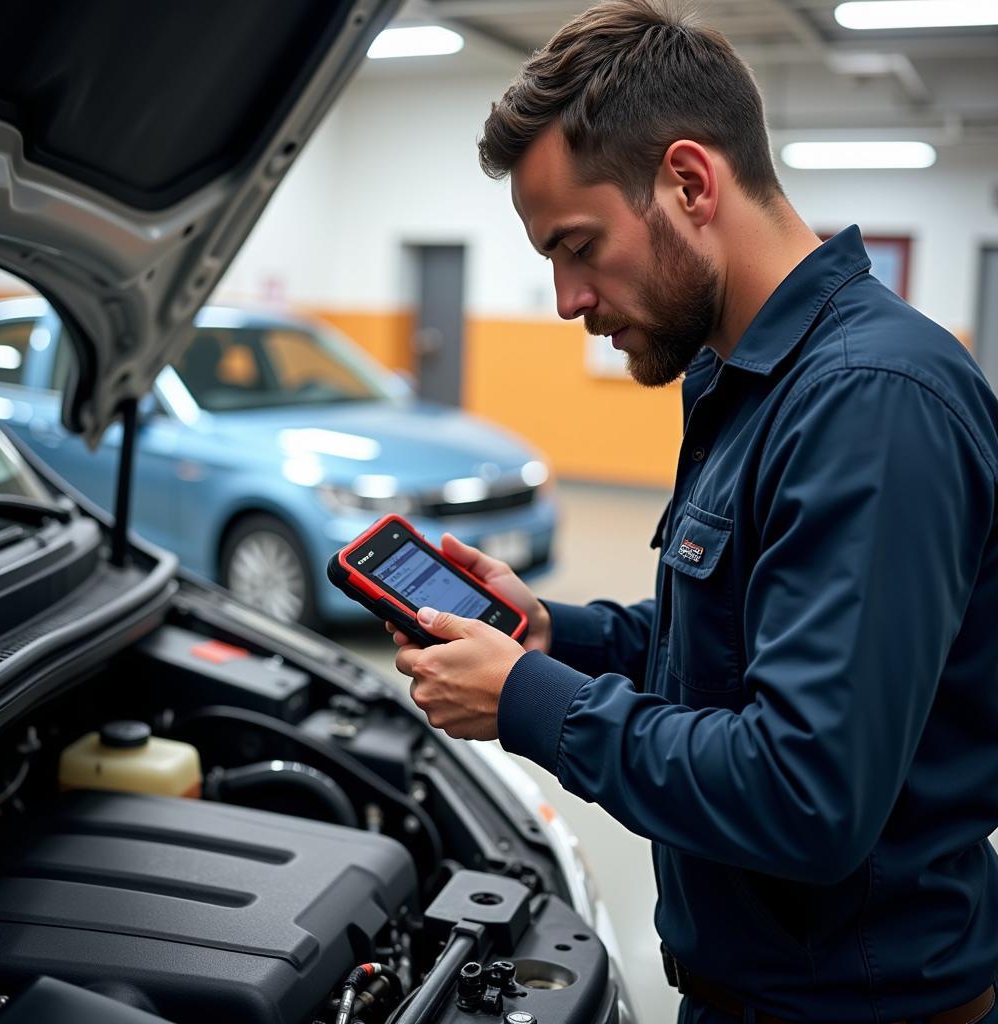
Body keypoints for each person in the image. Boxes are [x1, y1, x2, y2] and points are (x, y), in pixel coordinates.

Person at [388, 2, 998, 1020]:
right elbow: (732, 653)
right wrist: (555, 636)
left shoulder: (870, 405)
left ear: (687, 182)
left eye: (577, 246)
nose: (565, 301)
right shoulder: (742, 379)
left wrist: (531, 699)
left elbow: (805, 793)